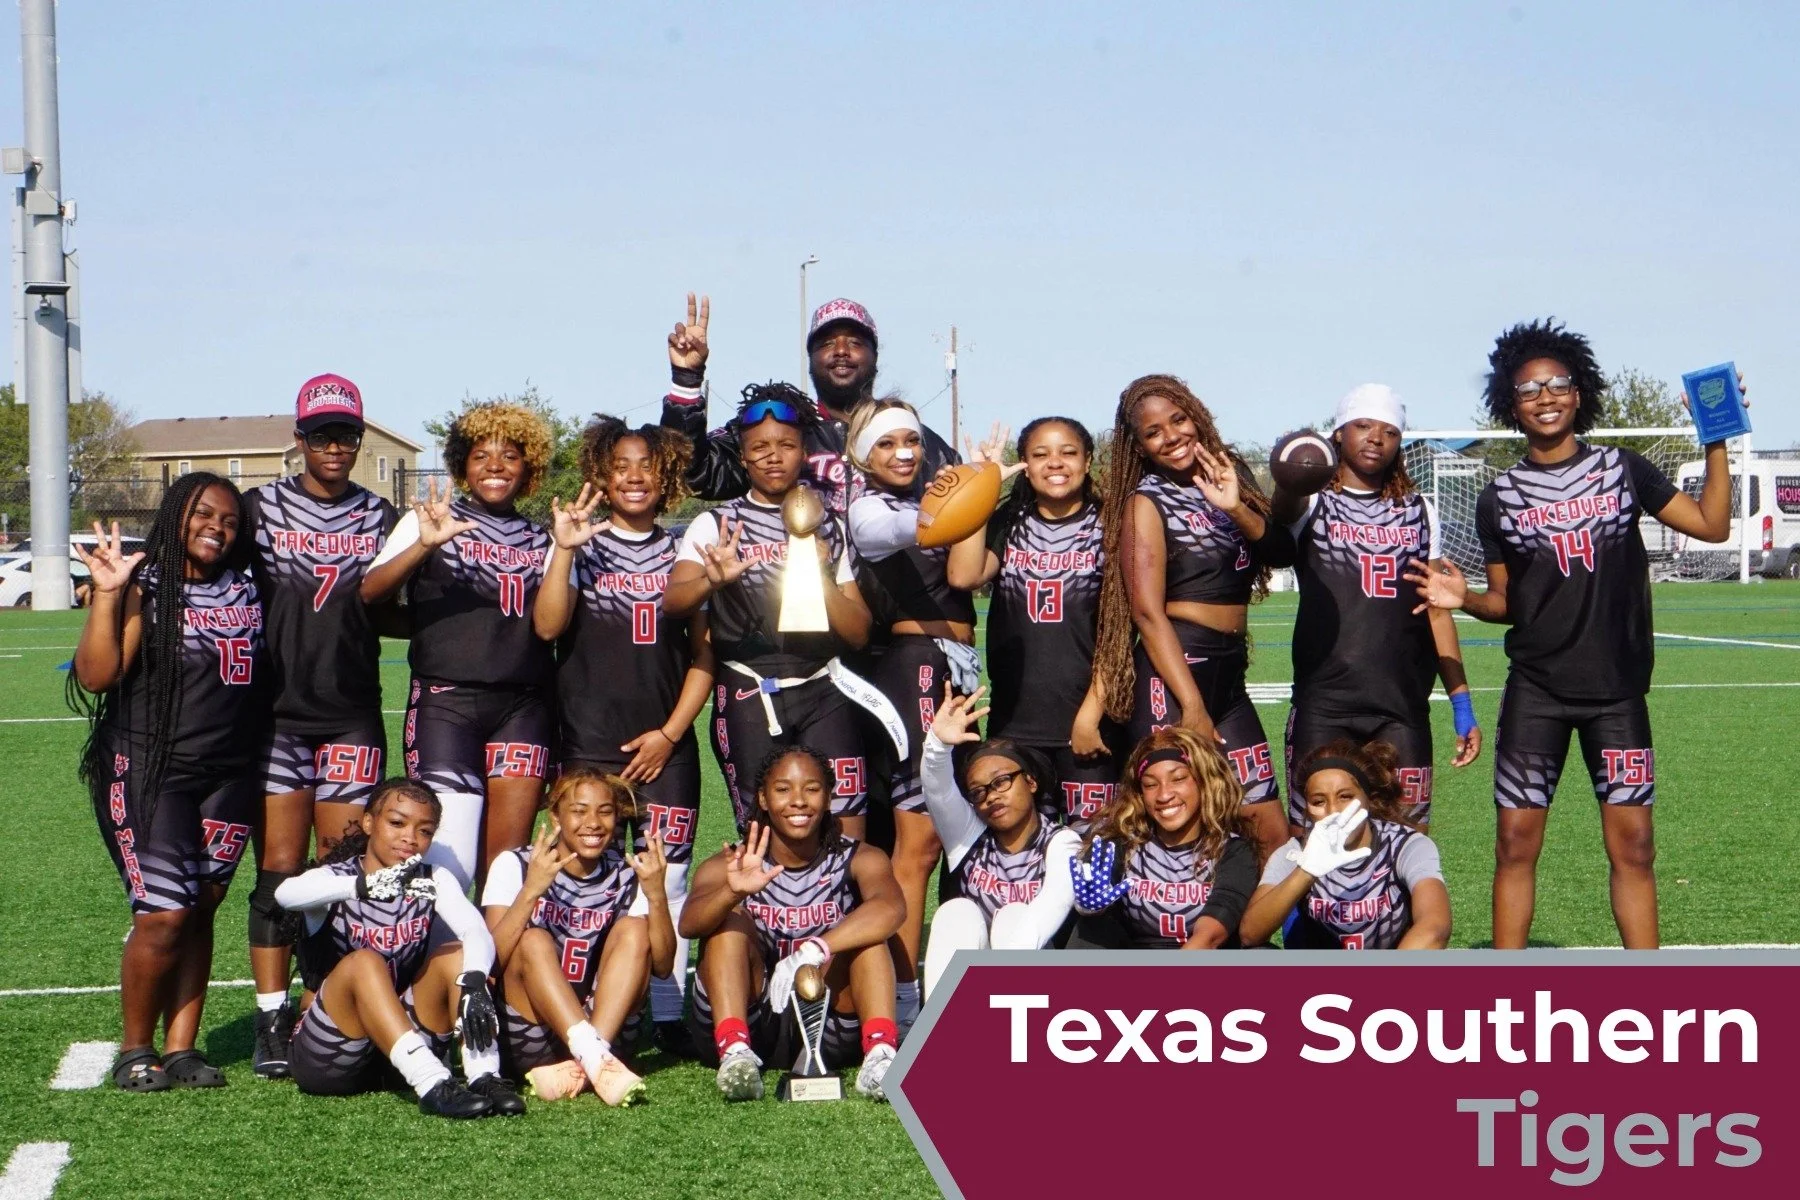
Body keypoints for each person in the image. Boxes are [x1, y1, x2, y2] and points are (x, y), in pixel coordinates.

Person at [1407, 319, 1737, 950]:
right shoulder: (1498, 496)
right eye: (1529, 390)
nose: (1547, 396)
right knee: (1515, 844)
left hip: (1617, 694)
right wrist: (1466, 597)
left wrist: (1716, 437)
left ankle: (1648, 992)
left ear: (1579, 392)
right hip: (1537, 693)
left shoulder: (1625, 469)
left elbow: (1714, 525)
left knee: (1635, 847)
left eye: (1558, 383)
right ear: (1511, 405)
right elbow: (1506, 602)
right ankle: (1507, 993)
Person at [69, 478, 266, 1091]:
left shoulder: (249, 584)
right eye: (202, 513)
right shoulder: (144, 583)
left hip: (229, 773)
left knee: (202, 909)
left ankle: (182, 1048)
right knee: (163, 913)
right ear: (175, 516)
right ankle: (135, 1047)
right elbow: (97, 676)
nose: (217, 527)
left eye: (230, 519)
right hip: (151, 769)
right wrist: (105, 594)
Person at [240, 373, 401, 1079]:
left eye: (346, 434)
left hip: (349, 716)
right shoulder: (258, 508)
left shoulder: (380, 515)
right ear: (298, 438)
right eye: (321, 434)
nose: (334, 446)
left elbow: (399, 608)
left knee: (338, 871)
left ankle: (323, 1004)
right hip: (275, 718)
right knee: (278, 872)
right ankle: (271, 1016)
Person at [532, 415, 711, 1050]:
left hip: (666, 747)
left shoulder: (686, 550)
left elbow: (705, 658)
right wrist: (565, 550)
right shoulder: (583, 541)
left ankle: (667, 1012)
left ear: (667, 480)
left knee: (669, 873)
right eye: (621, 468)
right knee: (581, 873)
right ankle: (573, 998)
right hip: (587, 741)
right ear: (602, 477)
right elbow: (549, 627)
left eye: (648, 468)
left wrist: (669, 732)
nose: (634, 478)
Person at [663, 383, 883, 839]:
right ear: (742, 457)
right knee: (762, 834)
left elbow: (859, 632)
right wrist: (713, 580)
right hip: (748, 689)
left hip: (824, 688)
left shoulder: (830, 525)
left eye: (786, 445)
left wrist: (821, 573)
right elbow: (673, 602)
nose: (772, 456)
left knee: (846, 832)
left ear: (804, 452)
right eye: (758, 447)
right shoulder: (716, 522)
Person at [1092, 374, 1293, 861]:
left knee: (1268, 827)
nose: (1172, 436)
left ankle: (1254, 938)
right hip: (1175, 674)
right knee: (1167, 829)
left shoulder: (1230, 473)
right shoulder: (1146, 501)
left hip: (1229, 676)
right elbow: (1146, 612)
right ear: (1140, 448)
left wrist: (1235, 506)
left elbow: (1282, 551)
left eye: (1178, 420)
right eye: (1153, 432)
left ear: (1196, 417)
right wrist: (1193, 707)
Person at [1269, 384, 1480, 835]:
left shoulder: (1420, 509)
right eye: (1363, 425)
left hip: (1400, 705)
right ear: (1339, 433)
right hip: (1324, 704)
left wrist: (1462, 703)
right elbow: (1280, 513)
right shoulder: (1312, 500)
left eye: (1389, 431)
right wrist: (1291, 471)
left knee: (1409, 841)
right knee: (1312, 843)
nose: (1376, 437)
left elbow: (1436, 607)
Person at [361, 403, 555, 890]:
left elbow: (550, 626)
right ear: (461, 464)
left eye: (509, 455)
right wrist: (425, 544)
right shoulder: (432, 519)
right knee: (451, 867)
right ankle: (446, 965)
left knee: (506, 866)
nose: (494, 465)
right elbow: (369, 593)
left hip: (523, 707)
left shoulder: (544, 537)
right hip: (446, 707)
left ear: (528, 466)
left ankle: (497, 968)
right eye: (480, 454)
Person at [841, 397, 988, 1029]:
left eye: (911, 440)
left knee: (956, 825)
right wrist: (982, 483)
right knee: (918, 840)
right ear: (862, 456)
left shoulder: (938, 493)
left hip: (959, 659)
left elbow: (967, 566)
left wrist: (983, 490)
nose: (904, 452)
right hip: (916, 663)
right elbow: (927, 529)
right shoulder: (868, 510)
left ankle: (937, 976)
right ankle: (901, 997)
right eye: (886, 444)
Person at [276, 778, 523, 1117]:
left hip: (400, 1046)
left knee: (457, 953)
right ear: (368, 822)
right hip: (331, 1055)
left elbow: (474, 929)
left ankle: (484, 1075)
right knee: (364, 961)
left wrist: (475, 980)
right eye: (397, 823)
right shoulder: (336, 878)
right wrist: (361, 887)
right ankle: (433, 1085)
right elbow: (285, 894)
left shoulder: (430, 877)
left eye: (424, 831)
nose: (410, 838)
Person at [680, 746, 906, 1102]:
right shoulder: (734, 862)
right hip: (753, 1018)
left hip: (828, 1022)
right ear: (763, 799)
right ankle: (735, 1052)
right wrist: (731, 892)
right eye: (783, 789)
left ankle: (879, 1056)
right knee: (727, 926)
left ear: (829, 796)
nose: (798, 801)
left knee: (870, 937)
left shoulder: (860, 856)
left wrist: (816, 948)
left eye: (812, 789)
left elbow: (891, 909)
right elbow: (690, 925)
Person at [947, 415, 1114, 830]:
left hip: (1087, 725)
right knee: (1022, 857)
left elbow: (1121, 631)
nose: (1055, 463)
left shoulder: (1110, 525)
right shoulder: (1009, 520)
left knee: (1091, 859)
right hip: (1016, 725)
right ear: (1023, 463)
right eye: (1040, 455)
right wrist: (983, 484)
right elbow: (964, 575)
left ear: (1088, 460)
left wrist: (1091, 714)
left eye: (1068, 452)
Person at [660, 293, 958, 515]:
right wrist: (687, 379)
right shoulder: (779, 428)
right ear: (811, 360)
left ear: (874, 356)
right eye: (827, 343)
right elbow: (692, 472)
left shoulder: (919, 441)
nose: (841, 351)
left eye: (855, 342)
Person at [481, 767, 675, 1105]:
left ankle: (589, 1060)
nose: (594, 823)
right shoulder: (515, 864)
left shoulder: (628, 872)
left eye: (605, 811)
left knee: (635, 929)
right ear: (555, 814)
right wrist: (531, 891)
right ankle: (593, 1058)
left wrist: (657, 896)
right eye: (579, 810)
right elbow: (490, 964)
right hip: (533, 1034)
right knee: (533, 940)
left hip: (609, 1030)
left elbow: (661, 965)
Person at [919, 685, 1079, 997]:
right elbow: (937, 791)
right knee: (957, 913)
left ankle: (1016, 1037)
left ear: (1031, 781)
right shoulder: (969, 837)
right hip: (981, 982)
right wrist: (937, 746)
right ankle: (946, 1034)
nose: (992, 796)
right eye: (979, 791)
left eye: (1002, 782)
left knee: (1014, 916)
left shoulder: (1062, 842)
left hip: (1044, 990)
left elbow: (1049, 908)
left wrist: (994, 987)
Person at [1239, 739, 1452, 949]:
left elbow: (1435, 927)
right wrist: (1306, 871)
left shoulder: (1405, 845)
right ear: (1307, 809)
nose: (1333, 811)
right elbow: (1250, 934)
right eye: (1319, 801)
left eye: (1345, 797)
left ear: (1368, 798)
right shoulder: (1295, 851)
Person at [1066, 728, 1259, 950]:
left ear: (1205, 782)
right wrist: (1090, 910)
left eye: (1178, 778)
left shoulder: (1232, 850)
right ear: (1139, 793)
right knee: (1089, 932)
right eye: (1150, 784)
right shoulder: (1121, 844)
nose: (1164, 795)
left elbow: (1209, 937)